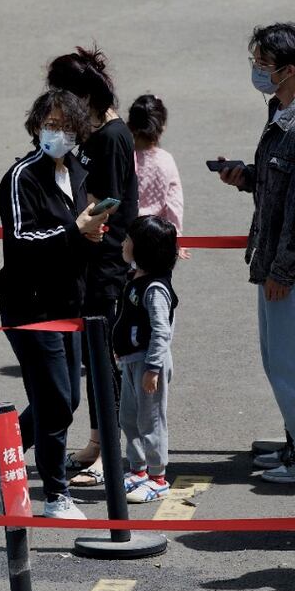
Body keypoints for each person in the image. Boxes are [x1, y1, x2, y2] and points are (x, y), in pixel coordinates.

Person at [216, 22, 295, 483]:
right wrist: (246, 177)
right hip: (274, 261)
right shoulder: (282, 112)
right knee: (280, 360)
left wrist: (283, 270)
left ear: (288, 70)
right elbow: (282, 185)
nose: (256, 71)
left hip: (293, 269)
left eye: (262, 64)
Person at [0, 89, 110, 519]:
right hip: (29, 307)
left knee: (68, 397)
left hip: (68, 303)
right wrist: (76, 230)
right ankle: (55, 494)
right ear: (37, 127)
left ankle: (1, 451)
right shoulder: (20, 177)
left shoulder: (76, 170)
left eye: (67, 127)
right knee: (55, 400)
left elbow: (78, 233)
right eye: (51, 125)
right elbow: (21, 242)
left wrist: (92, 234)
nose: (58, 133)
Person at [46, 47, 136, 485]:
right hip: (86, 257)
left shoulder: (113, 137)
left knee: (107, 361)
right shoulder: (85, 131)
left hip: (107, 263)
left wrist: (81, 218)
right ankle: (98, 441)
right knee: (92, 360)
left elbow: (112, 203)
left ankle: (110, 452)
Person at [116, 215, 180, 504]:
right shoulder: (136, 278)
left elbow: (160, 330)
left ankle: (157, 477)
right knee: (129, 417)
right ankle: (138, 469)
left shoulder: (154, 289)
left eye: (128, 240)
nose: (123, 243)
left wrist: (153, 368)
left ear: (143, 248)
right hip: (132, 360)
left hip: (148, 363)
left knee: (151, 420)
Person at [128, 94, 188, 259]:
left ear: (130, 124)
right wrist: (177, 239)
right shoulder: (165, 161)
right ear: (161, 127)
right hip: (156, 239)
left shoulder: (124, 157)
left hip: (125, 236)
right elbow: (174, 204)